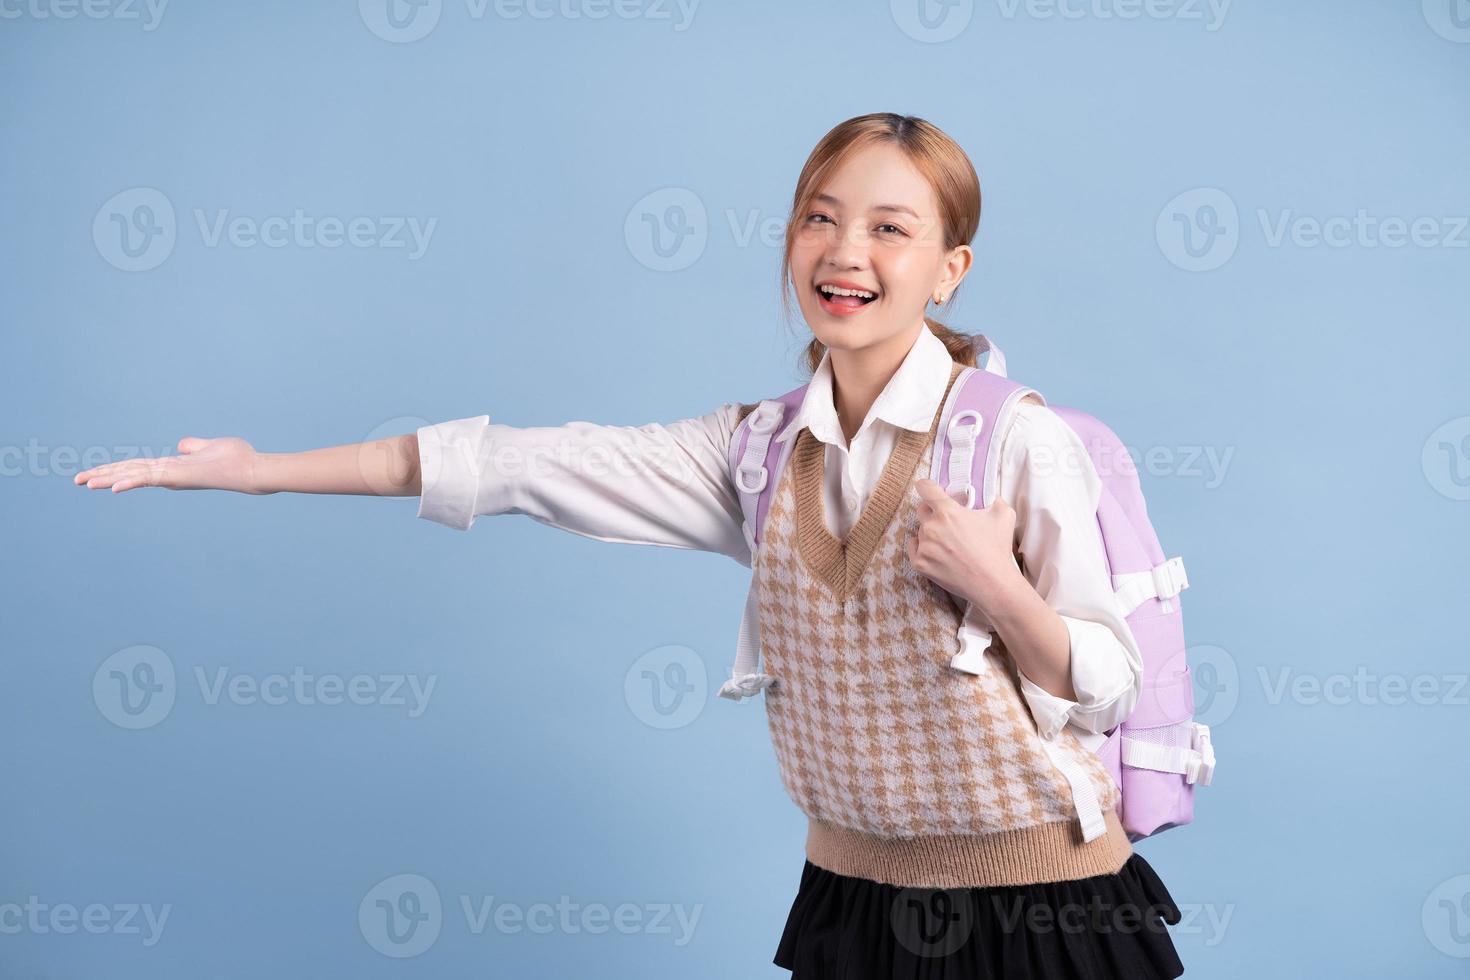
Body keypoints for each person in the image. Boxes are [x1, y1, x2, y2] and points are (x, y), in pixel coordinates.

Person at [74, 112, 1185, 979]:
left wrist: (999, 588)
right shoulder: (755, 452)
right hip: (852, 906)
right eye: (819, 215)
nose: (845, 250)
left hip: (1044, 911)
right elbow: (520, 462)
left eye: (891, 227)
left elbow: (1103, 680)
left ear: (951, 267)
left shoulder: (1018, 440)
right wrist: (259, 467)